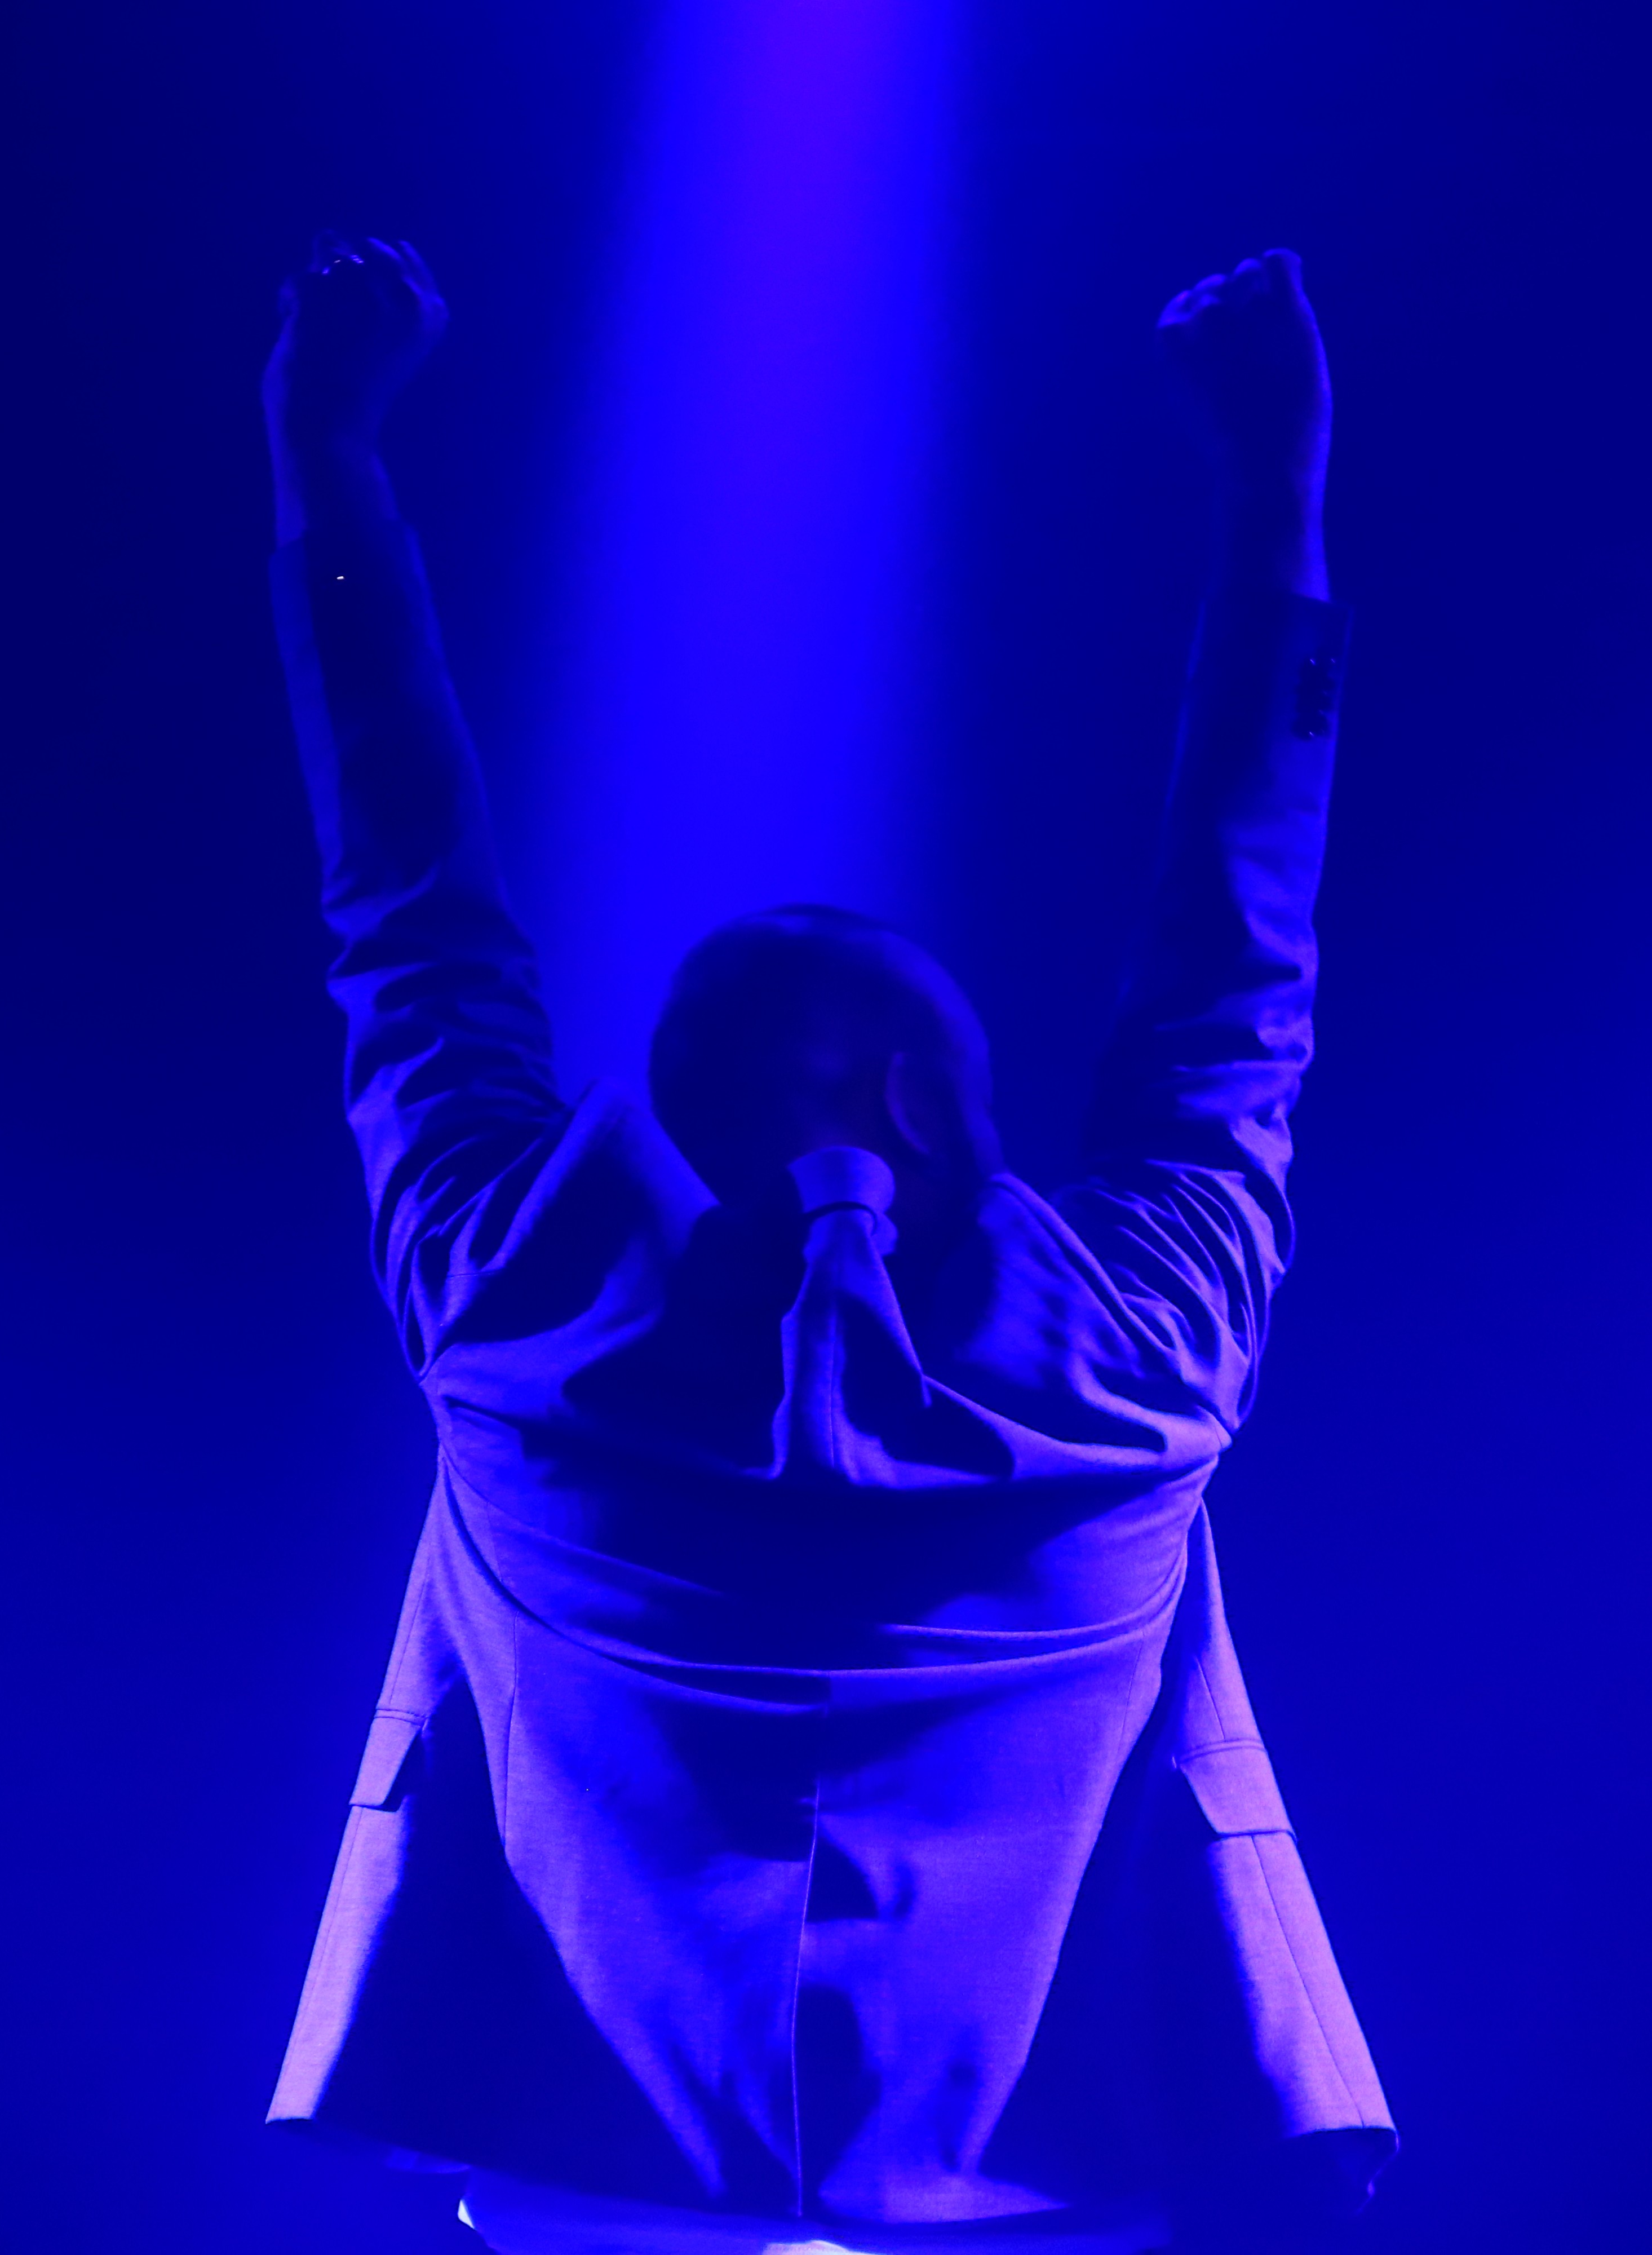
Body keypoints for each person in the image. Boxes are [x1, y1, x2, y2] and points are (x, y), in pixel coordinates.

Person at [260, 233, 1394, 2254]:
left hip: (589, 2189)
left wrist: (326, 453)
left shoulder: (506, 1301)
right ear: (921, 1105)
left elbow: (400, 889)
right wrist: (1278, 493)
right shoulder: (1144, 1354)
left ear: (669, 1098)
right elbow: (1246, 949)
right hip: (1031, 2197)